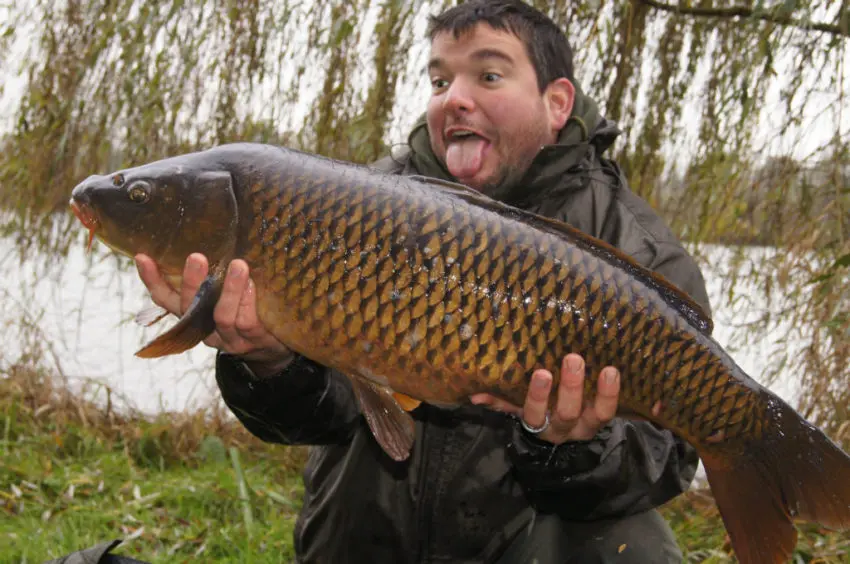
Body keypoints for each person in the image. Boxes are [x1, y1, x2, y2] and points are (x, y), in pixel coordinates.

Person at [132, 1, 711, 562]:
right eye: (439, 81)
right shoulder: (356, 204)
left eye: (487, 75)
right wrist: (269, 361)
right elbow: (319, 414)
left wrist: (574, 444)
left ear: (556, 103)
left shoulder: (632, 245)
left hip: (530, 534)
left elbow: (668, 456)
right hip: (370, 528)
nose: (455, 99)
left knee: (630, 542)